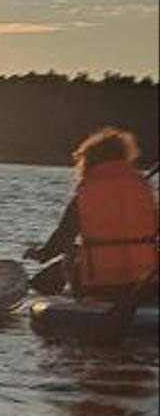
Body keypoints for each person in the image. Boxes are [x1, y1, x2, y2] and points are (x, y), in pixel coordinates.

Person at [24, 127, 158, 300]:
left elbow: (63, 237)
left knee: (71, 252)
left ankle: (40, 296)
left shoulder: (86, 193)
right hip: (147, 285)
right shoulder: (143, 189)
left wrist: (40, 255)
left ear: (89, 160)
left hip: (101, 287)